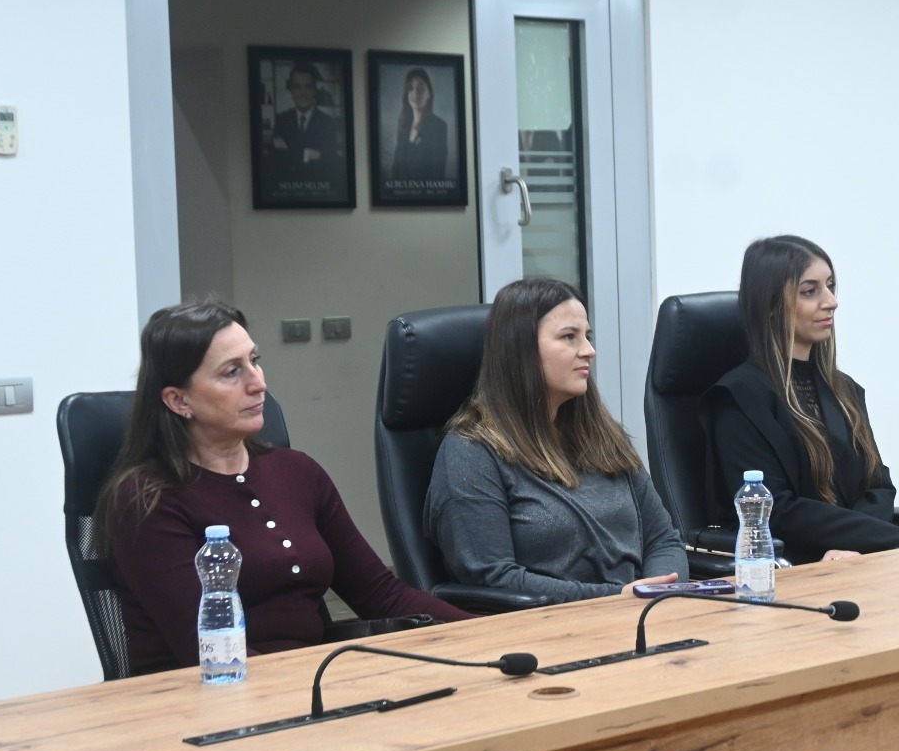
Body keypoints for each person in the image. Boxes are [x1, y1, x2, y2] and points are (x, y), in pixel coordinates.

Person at [95, 301, 473, 676]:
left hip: (306, 682)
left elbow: (383, 596)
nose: (258, 383)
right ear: (179, 401)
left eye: (254, 361)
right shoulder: (146, 500)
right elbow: (209, 652)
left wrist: (486, 633)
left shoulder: (297, 472)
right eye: (231, 372)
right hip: (205, 695)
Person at [426, 277, 688, 601]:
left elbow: (664, 540)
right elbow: (493, 577)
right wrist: (617, 598)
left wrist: (657, 593)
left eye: (587, 336)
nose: (589, 351)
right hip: (546, 625)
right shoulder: (471, 452)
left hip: (639, 614)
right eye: (569, 337)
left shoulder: (604, 437)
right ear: (521, 349)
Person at [703, 235, 899, 563]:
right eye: (810, 291)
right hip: (789, 565)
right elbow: (773, 510)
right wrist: (875, 536)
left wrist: (857, 545)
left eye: (831, 286)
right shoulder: (738, 399)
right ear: (771, 305)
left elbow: (879, 486)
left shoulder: (845, 390)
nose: (831, 301)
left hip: (858, 557)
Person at [267, 60, 344, 189]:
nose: (302, 92)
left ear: (315, 90)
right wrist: (310, 154)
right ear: (291, 90)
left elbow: (328, 161)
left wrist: (288, 151)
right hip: (286, 188)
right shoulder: (282, 119)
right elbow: (273, 157)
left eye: (308, 86)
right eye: (297, 87)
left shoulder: (328, 123)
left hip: (318, 189)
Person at [390, 67, 449, 183]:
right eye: (410, 88)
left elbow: (438, 174)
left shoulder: (439, 127)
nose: (415, 93)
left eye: (420, 88)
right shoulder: (403, 125)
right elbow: (395, 169)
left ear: (429, 94)